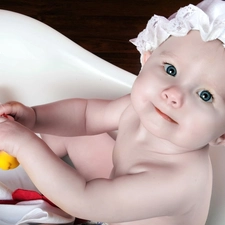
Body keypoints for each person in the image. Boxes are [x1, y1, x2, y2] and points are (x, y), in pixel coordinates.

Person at [0, 0, 225, 224]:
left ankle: (30, 157)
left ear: (222, 134)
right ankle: (18, 152)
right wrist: (34, 117)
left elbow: (85, 199)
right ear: (147, 58)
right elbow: (86, 116)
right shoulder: (144, 107)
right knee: (65, 130)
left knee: (71, 190)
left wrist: (24, 144)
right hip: (111, 192)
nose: (173, 94)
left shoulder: (177, 183)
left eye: (205, 95)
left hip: (97, 203)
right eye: (170, 69)